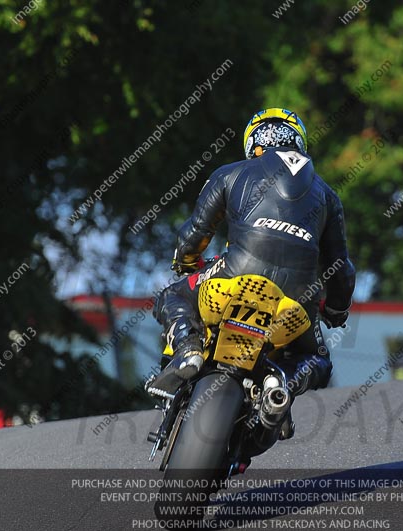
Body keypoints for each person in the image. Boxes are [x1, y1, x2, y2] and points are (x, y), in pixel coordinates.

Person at [147, 107, 355, 438]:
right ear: (298, 141)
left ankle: (187, 348)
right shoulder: (328, 195)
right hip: (295, 303)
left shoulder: (231, 172)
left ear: (252, 143)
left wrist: (186, 262)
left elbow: (195, 233)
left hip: (231, 279)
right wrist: (336, 310)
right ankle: (280, 383)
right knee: (318, 359)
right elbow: (341, 268)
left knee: (173, 294)